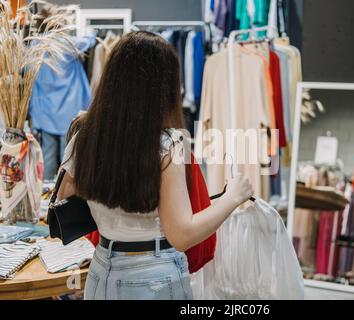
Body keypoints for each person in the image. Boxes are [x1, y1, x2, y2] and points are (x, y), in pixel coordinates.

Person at [57, 31, 254, 300]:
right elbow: (182, 234)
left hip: (102, 270)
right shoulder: (168, 145)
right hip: (153, 276)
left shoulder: (85, 135)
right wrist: (232, 197)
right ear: (165, 87)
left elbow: (64, 197)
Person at [29, 5, 97, 180]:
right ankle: (63, 200)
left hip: (46, 113)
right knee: (69, 160)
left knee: (48, 158)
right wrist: (91, 32)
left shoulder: (36, 46)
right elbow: (88, 41)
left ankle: (46, 200)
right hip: (69, 111)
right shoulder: (66, 43)